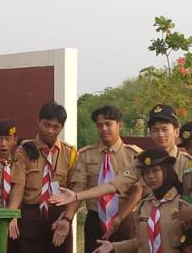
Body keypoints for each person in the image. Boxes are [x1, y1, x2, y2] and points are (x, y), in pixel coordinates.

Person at [50, 104, 192, 235]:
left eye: (165, 130)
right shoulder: (143, 161)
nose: (160, 135)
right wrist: (76, 196)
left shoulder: (189, 164)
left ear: (176, 132)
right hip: (151, 226)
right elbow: (114, 185)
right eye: (155, 130)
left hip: (182, 225)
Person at [55, 105, 141, 253]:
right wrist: (68, 218)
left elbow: (137, 191)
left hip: (125, 219)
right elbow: (79, 188)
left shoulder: (133, 155)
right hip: (95, 219)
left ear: (119, 125)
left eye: (108, 124)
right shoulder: (86, 154)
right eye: (100, 125)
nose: (104, 129)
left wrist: (120, 217)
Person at [7, 101, 78, 253]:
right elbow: (18, 186)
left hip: (58, 214)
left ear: (62, 127)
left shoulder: (70, 153)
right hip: (31, 214)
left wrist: (68, 218)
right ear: (38, 121)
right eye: (46, 125)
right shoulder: (24, 151)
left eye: (56, 127)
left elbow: (75, 189)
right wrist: (12, 214)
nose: (50, 131)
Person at [93, 148, 184, 253]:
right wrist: (114, 246)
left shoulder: (181, 203)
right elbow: (140, 242)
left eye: (156, 170)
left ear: (167, 170)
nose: (151, 176)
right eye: (146, 172)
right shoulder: (143, 205)